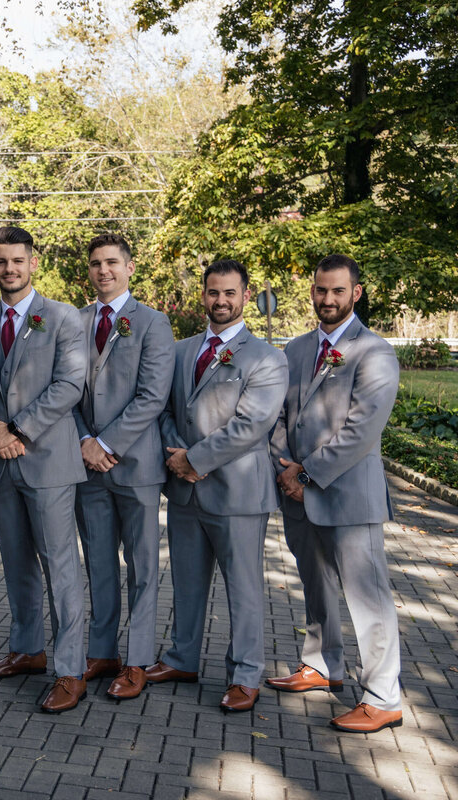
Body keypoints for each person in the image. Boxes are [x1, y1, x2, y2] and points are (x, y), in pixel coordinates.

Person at [267, 255, 403, 733]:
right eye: (321, 290)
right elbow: (279, 414)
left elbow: (362, 431)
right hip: (297, 492)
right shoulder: (296, 348)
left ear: (356, 293)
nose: (327, 299)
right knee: (315, 585)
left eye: (338, 291)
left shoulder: (375, 352)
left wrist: (306, 475)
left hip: (347, 497)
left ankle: (384, 696)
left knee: (368, 598)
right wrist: (285, 466)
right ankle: (323, 666)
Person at [147, 260, 288, 711]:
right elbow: (165, 409)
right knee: (186, 583)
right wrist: (177, 455)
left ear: (245, 296)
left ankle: (246, 675)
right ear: (203, 295)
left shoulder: (267, 357)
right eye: (213, 292)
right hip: (186, 490)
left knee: (243, 589)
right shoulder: (181, 349)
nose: (220, 301)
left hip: (238, 492)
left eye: (229, 293)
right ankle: (182, 657)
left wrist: (196, 459)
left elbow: (251, 425)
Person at [0, 226, 89, 713]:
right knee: (16, 562)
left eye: (18, 260)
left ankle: (70, 670)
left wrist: (16, 430)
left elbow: (69, 385)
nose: (9, 269)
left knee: (60, 566)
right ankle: (26, 650)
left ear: (33, 263)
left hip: (47, 462)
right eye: (1, 261)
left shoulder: (63, 318)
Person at [72, 233, 175, 700]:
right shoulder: (74, 322)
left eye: (112, 262)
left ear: (130, 267)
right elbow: (66, 390)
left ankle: (136, 661)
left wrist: (106, 442)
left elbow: (152, 396)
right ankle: (102, 651)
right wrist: (84, 441)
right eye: (95, 263)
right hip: (88, 468)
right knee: (98, 563)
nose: (103, 271)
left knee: (142, 568)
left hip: (135, 466)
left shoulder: (153, 323)